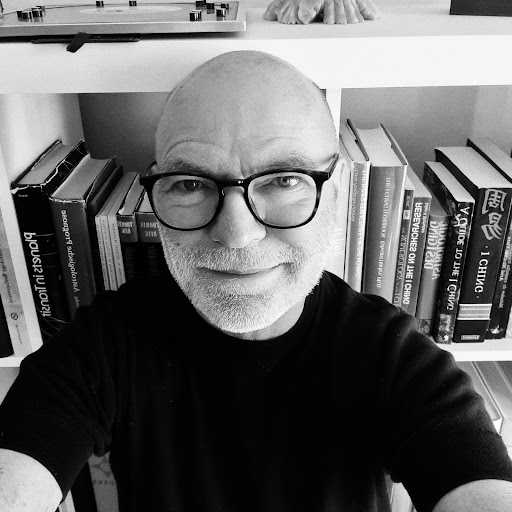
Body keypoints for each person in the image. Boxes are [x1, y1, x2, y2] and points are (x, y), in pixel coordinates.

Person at [0, 50, 512, 512]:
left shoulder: (393, 357)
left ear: (336, 194)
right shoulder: (106, 343)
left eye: (285, 180)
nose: (237, 234)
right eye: (190, 183)